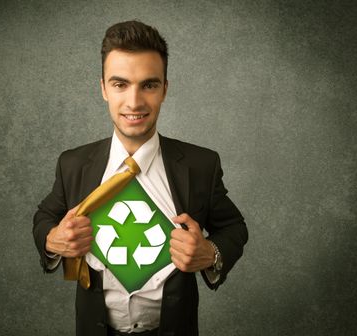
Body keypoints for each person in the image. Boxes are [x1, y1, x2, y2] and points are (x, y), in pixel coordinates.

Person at [33, 20, 248, 336]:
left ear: (164, 89)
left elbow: (233, 227)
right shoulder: (74, 163)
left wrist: (210, 253)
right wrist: (53, 241)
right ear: (103, 88)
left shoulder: (201, 165)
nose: (134, 103)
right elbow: (45, 217)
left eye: (148, 85)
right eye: (120, 84)